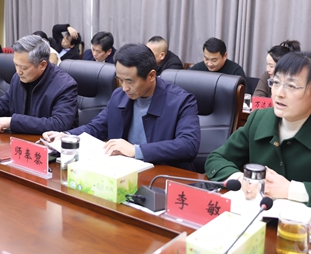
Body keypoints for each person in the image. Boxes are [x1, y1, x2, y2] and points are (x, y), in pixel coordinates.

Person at [205, 52, 311, 214]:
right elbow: (216, 159)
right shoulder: (259, 119)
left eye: (291, 86)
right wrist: (242, 180)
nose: (279, 94)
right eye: (275, 83)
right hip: (258, 219)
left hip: (309, 229)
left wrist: (290, 190)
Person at [43, 44, 200, 170]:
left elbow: (188, 145)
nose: (124, 88)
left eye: (130, 81)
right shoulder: (119, 96)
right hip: (123, 172)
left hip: (161, 177)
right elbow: (96, 127)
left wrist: (136, 150)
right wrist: (67, 135)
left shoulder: (182, 101)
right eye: (120, 80)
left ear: (151, 76)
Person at [0, 35, 78, 133]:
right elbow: (5, 103)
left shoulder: (65, 85)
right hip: (19, 139)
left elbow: (58, 124)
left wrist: (13, 122)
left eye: (23, 67)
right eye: (16, 65)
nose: (18, 71)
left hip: (48, 144)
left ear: (42, 65)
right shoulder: (18, 77)